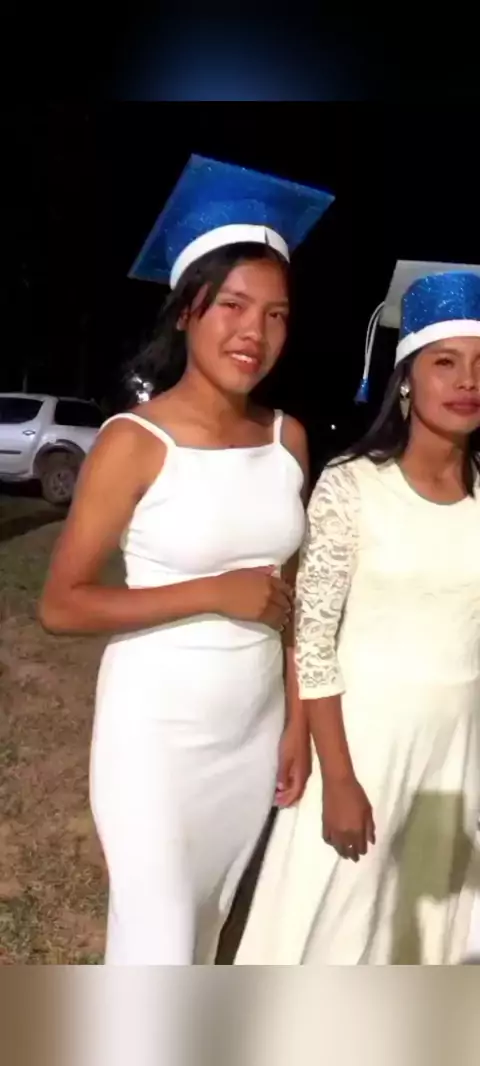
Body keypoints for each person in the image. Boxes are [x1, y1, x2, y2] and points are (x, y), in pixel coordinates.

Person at [39, 154, 334, 965]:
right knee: (161, 941)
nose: (254, 333)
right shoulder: (134, 442)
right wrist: (211, 592)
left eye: (276, 314)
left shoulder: (287, 438)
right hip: (156, 736)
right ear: (186, 312)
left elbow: (293, 596)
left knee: (205, 936)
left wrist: (296, 723)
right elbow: (61, 603)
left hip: (252, 729)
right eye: (232, 305)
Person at [235, 263, 480, 965]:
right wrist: (337, 780)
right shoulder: (352, 485)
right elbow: (313, 641)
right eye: (444, 363)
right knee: (338, 929)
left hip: (457, 753)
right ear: (406, 379)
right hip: (365, 744)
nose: (466, 381)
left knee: (423, 937)